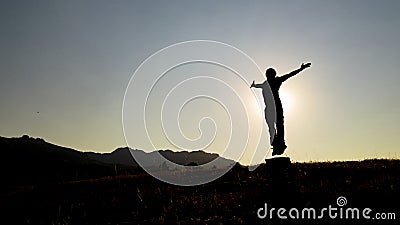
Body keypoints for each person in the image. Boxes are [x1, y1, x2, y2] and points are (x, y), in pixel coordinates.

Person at [251, 62, 311, 156]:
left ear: (273, 75)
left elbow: (290, 75)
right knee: (272, 128)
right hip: (269, 109)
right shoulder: (265, 83)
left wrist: (301, 69)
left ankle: (280, 145)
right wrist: (254, 86)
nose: (268, 77)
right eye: (267, 75)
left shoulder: (277, 80)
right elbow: (260, 86)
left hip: (277, 108)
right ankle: (276, 145)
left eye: (269, 75)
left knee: (279, 127)